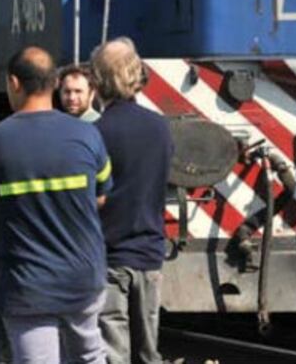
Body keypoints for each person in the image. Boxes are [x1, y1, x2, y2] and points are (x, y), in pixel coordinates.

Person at [0, 47, 112, 364]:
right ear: (55, 82)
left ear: (13, 83)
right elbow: (101, 196)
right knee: (90, 355)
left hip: (27, 281)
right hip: (83, 275)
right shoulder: (87, 134)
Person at [91, 38, 173, 364]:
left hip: (110, 255)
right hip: (150, 253)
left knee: (113, 352)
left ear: (98, 82)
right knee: (148, 352)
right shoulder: (160, 128)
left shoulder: (96, 133)